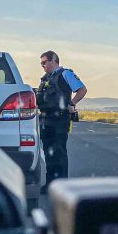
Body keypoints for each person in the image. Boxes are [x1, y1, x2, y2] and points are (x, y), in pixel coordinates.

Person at [37, 50, 87, 191]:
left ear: (53, 61)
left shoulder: (65, 74)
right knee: (49, 153)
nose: (43, 66)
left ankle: (62, 186)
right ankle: (50, 184)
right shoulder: (45, 79)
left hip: (60, 119)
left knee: (59, 152)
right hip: (46, 119)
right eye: (41, 63)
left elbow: (82, 89)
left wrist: (72, 104)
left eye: (44, 62)